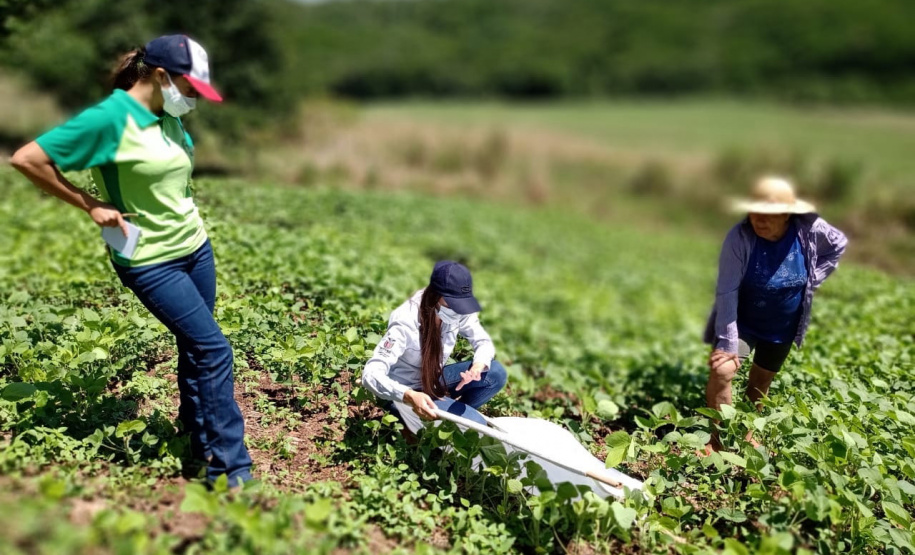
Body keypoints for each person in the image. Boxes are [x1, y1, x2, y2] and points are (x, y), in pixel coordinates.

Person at [10, 35, 252, 486]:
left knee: (197, 349)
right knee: (214, 349)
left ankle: (201, 449)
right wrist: (88, 202)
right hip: (149, 259)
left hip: (195, 248)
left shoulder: (166, 113)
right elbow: (28, 159)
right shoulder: (111, 118)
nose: (196, 97)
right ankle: (231, 473)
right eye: (192, 87)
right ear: (160, 76)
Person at [702, 176, 847, 454]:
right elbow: (727, 290)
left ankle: (747, 433)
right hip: (741, 322)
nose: (759, 219)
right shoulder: (740, 237)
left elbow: (838, 244)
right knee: (722, 370)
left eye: (768, 214)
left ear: (787, 215)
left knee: (761, 381)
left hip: (782, 325)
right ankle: (717, 441)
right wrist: (728, 343)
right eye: (754, 210)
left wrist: (813, 278)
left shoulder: (809, 229)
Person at [362, 261, 508, 434]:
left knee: (496, 373)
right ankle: (426, 419)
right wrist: (409, 395)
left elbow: (483, 341)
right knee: (476, 424)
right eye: (452, 303)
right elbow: (370, 374)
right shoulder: (405, 321)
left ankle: (445, 420)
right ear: (435, 295)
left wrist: (477, 367)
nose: (458, 310)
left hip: (433, 380)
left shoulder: (460, 311)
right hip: (406, 390)